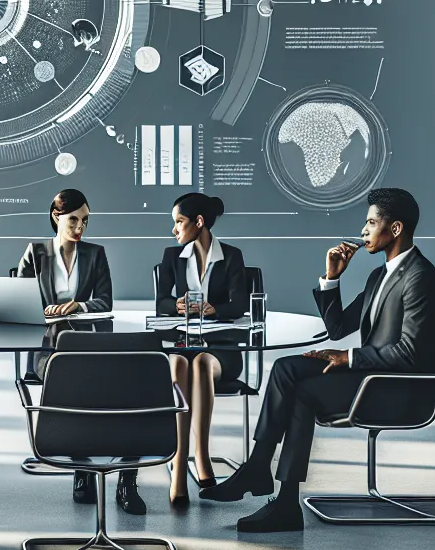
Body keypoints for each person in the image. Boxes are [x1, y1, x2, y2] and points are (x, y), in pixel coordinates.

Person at [202, 187, 435, 532]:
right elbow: (337, 328)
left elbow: (409, 353)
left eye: (371, 223)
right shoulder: (380, 276)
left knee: (301, 390)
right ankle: (274, 490)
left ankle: (265, 479)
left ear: (395, 229)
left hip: (392, 388)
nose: (363, 231)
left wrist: (348, 356)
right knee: (288, 368)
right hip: (368, 374)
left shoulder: (420, 277)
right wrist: (333, 278)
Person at [14, 189, 130, 511]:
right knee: (78, 383)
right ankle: (83, 467)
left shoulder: (95, 254)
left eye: (85, 221)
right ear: (57, 216)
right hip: (47, 348)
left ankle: (119, 472)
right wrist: (47, 310)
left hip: (86, 344)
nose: (80, 228)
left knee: (123, 385)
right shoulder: (35, 253)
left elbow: (105, 302)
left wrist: (78, 305)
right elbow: (18, 300)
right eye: (74, 220)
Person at [155, 192, 261, 507]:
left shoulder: (231, 255)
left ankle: (201, 456)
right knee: (179, 365)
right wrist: (175, 305)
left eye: (179, 222)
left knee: (200, 364)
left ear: (198, 222)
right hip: (183, 342)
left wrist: (216, 309)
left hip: (222, 349)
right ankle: (178, 467)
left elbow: (240, 303)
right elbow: (160, 301)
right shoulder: (171, 257)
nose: (174, 230)